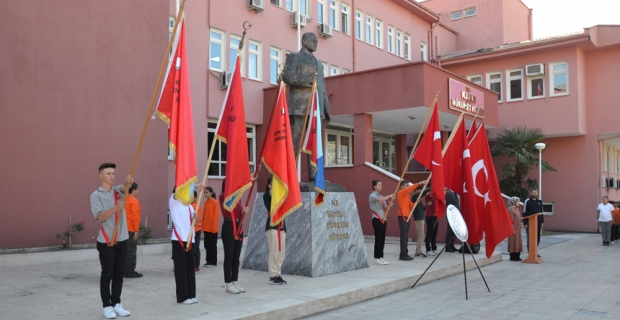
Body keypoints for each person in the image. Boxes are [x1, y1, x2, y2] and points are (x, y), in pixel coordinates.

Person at [90, 162, 133, 319]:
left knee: (119, 274)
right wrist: (115, 209)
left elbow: (124, 187)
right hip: (107, 241)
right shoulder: (96, 195)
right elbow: (100, 216)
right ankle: (106, 306)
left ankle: (116, 304)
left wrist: (128, 182)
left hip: (122, 239)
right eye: (108, 173)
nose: (112, 176)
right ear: (101, 176)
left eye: (113, 173)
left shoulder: (117, 192)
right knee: (107, 274)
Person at [170, 186, 199, 304]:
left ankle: (191, 293)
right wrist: (188, 183)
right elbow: (177, 193)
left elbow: (194, 222)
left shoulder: (189, 206)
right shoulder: (174, 201)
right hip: (179, 239)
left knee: (189, 268)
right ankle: (182, 296)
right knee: (181, 269)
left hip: (189, 239)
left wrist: (196, 219)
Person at [220, 179, 250, 294]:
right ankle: (228, 283)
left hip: (238, 226)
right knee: (229, 256)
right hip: (229, 226)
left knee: (236, 257)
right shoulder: (223, 196)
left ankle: (235, 280)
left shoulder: (238, 197)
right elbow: (229, 207)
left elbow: (239, 211)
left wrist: (244, 211)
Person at [263, 177, 288, 284]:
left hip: (281, 227)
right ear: (269, 185)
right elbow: (272, 199)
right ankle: (272, 276)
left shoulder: (280, 195)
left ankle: (278, 273)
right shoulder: (267, 195)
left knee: (281, 253)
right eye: (274, 183)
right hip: (272, 227)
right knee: (274, 252)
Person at [396, 180, 423, 261]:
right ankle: (402, 254)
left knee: (406, 236)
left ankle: (405, 253)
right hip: (402, 216)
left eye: (408, 185)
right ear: (402, 186)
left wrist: (416, 203)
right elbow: (409, 189)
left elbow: (411, 206)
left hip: (408, 216)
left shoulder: (407, 196)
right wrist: (419, 183)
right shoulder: (401, 193)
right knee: (403, 236)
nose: (408, 187)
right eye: (406, 185)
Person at [369, 180, 394, 265]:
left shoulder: (382, 196)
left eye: (381, 185)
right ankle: (376, 258)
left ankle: (380, 257)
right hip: (377, 219)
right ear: (374, 186)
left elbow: (385, 207)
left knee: (382, 239)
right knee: (378, 239)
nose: (381, 186)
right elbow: (379, 200)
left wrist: (389, 205)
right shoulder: (372, 195)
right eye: (379, 185)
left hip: (383, 219)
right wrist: (389, 196)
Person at [124, 182, 143, 278]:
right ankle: (130, 271)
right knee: (131, 251)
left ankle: (124, 270)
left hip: (124, 229)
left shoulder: (125, 200)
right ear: (134, 190)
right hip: (131, 228)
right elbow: (134, 216)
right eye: (137, 189)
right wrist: (136, 230)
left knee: (125, 251)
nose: (138, 191)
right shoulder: (134, 201)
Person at [201, 186, 220, 268]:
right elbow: (204, 215)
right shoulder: (205, 203)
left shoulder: (215, 202)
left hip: (212, 229)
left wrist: (214, 228)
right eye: (204, 193)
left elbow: (216, 216)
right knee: (207, 245)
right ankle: (208, 261)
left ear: (211, 193)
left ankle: (213, 261)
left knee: (212, 245)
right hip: (206, 228)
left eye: (207, 192)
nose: (205, 194)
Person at [523, 189, 544, 256]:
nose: (534, 193)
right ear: (531, 193)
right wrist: (525, 223)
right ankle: (530, 252)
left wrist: (542, 222)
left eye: (536, 192)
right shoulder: (527, 201)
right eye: (533, 192)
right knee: (530, 237)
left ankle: (535, 251)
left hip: (538, 222)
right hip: (530, 222)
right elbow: (524, 212)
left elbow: (541, 212)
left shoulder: (539, 201)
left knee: (537, 237)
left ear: (537, 193)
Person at [411, 187, 430, 258]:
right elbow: (422, 193)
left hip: (421, 218)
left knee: (421, 235)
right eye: (419, 190)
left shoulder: (419, 200)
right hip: (418, 218)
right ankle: (418, 252)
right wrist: (430, 188)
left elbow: (422, 210)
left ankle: (418, 251)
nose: (420, 191)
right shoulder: (415, 197)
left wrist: (427, 205)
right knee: (421, 235)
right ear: (416, 190)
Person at [444, 187, 461, 253]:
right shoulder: (449, 194)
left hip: (456, 215)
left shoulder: (454, 193)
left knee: (454, 231)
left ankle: (452, 245)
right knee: (450, 231)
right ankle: (448, 246)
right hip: (451, 215)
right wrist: (450, 215)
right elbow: (448, 206)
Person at [507, 197, 523, 261]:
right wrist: (512, 229)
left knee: (518, 241)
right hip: (513, 228)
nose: (519, 203)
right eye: (518, 201)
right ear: (514, 201)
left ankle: (517, 255)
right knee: (513, 241)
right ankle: (513, 256)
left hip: (518, 228)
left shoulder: (516, 209)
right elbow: (510, 220)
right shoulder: (510, 209)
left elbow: (517, 218)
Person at [422, 191, 438, 256]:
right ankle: (428, 249)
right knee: (430, 232)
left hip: (435, 216)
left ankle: (434, 248)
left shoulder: (435, 196)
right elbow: (431, 195)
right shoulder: (428, 194)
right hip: (429, 216)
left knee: (435, 232)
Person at [191, 191, 202, 273]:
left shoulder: (195, 206)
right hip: (194, 229)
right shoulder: (193, 205)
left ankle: (196, 266)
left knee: (195, 248)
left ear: (195, 198)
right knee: (195, 248)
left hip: (195, 229)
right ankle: (195, 265)